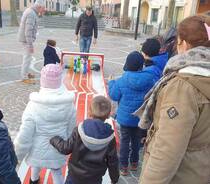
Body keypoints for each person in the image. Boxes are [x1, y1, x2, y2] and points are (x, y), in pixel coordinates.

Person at [136, 15, 210, 184]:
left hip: (180, 175)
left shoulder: (183, 87)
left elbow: (167, 150)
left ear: (183, 44)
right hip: (200, 170)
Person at [14, 64, 76, 184]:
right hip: (58, 147)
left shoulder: (33, 106)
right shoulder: (69, 105)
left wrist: (17, 155)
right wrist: (67, 143)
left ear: (43, 81)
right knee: (57, 171)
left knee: (35, 166)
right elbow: (71, 129)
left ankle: (34, 180)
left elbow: (25, 133)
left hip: (38, 148)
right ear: (60, 81)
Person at [50, 96, 119, 184]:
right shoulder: (110, 138)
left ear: (89, 112)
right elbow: (113, 162)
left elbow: (65, 148)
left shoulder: (79, 130)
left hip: (74, 176)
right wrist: (114, 179)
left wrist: (54, 139)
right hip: (95, 178)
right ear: (109, 114)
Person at [108, 51, 156, 176]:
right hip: (140, 117)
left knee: (124, 142)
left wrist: (111, 82)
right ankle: (134, 163)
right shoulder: (149, 79)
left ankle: (124, 167)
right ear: (142, 65)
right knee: (136, 141)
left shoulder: (122, 80)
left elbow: (114, 95)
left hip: (125, 118)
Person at [18, 0, 45, 84]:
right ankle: (24, 77)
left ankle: (26, 73)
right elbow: (28, 31)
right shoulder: (31, 14)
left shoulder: (31, 11)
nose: (43, 10)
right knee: (27, 58)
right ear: (39, 7)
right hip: (26, 40)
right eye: (43, 9)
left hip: (25, 39)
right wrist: (30, 45)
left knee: (28, 58)